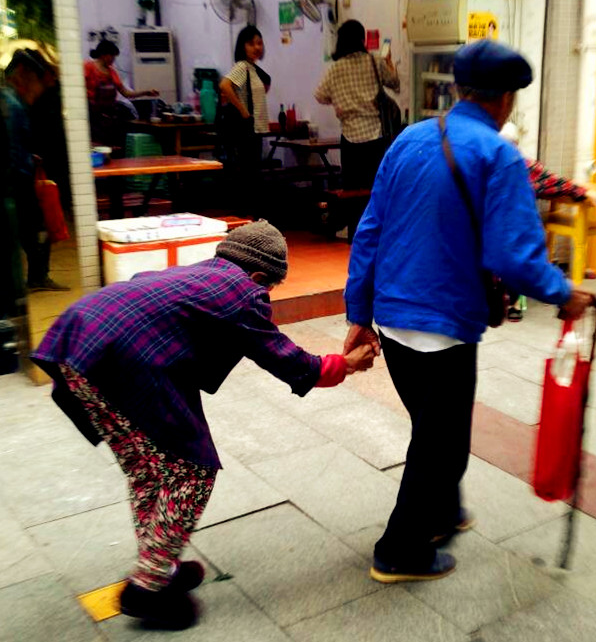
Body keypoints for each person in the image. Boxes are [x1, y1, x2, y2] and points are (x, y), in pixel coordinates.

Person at [32, 220, 375, 630]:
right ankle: (147, 588)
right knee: (191, 472)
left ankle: (160, 566)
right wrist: (345, 365)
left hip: (76, 349)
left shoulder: (200, 274)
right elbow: (289, 361)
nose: (266, 296)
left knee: (149, 470)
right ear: (259, 276)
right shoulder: (242, 293)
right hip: (122, 365)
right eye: (270, 287)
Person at [343, 39, 592, 585]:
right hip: (444, 326)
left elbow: (369, 230)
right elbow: (514, 256)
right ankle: (400, 551)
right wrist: (564, 292)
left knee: (435, 429)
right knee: (441, 444)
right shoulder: (498, 155)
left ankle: (444, 512)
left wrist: (358, 314)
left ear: (458, 89)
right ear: (505, 100)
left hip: (393, 319)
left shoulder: (408, 139)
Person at [500, 121, 596, 320]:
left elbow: (557, 183)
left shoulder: (523, 166)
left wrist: (587, 193)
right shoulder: (492, 163)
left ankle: (514, 300)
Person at [0, 48, 69, 292]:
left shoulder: (12, 102)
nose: (40, 90)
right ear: (23, 75)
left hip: (22, 176)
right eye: (39, 82)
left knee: (32, 229)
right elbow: (12, 152)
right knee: (34, 228)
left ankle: (37, 277)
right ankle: (36, 278)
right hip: (19, 181)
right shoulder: (12, 105)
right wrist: (26, 169)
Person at [314, 20, 399, 192]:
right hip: (375, 136)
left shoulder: (335, 69)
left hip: (350, 139)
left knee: (352, 190)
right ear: (362, 39)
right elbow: (394, 83)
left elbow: (320, 96)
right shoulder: (375, 61)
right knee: (376, 188)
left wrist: (338, 100)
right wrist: (389, 62)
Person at [218, 26, 270, 217]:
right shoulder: (242, 66)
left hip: (256, 128)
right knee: (249, 173)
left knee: (252, 173)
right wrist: (244, 111)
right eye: (251, 43)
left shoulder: (253, 69)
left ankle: (251, 215)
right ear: (243, 46)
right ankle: (246, 216)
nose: (256, 47)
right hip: (247, 128)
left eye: (259, 43)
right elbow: (224, 85)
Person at [84, 39, 158, 148]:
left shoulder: (112, 72)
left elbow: (126, 93)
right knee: (96, 145)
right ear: (104, 54)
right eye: (112, 56)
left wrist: (145, 92)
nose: (113, 59)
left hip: (108, 116)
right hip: (92, 115)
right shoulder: (88, 67)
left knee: (112, 145)